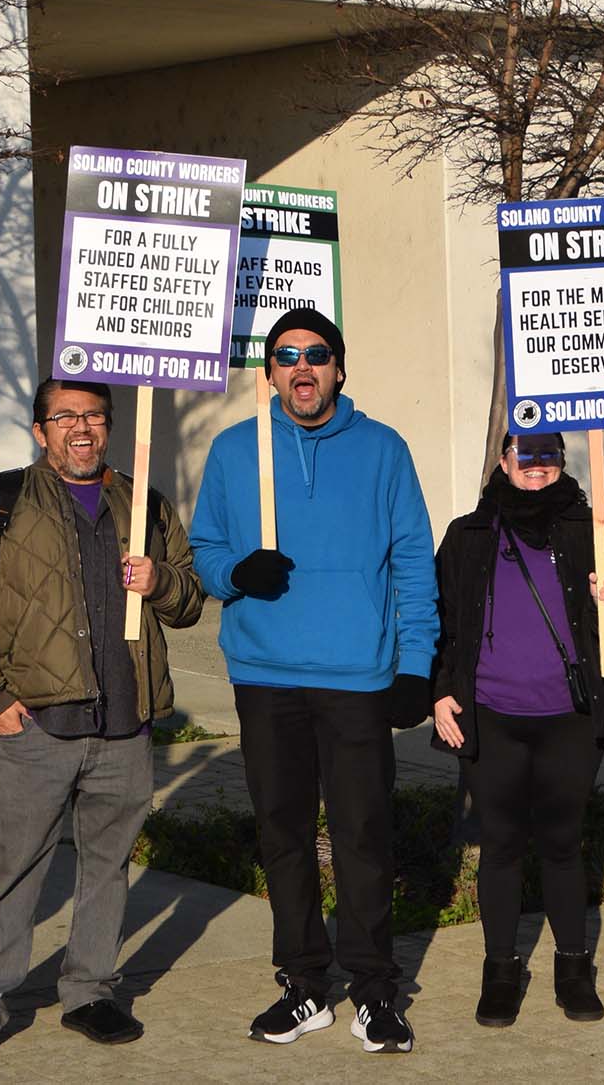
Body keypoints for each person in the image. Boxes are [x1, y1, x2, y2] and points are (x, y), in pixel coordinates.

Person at [0, 378, 203, 1071]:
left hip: (125, 722)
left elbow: (189, 596)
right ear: (39, 429)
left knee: (108, 868)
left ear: (109, 425)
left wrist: (161, 583)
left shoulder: (143, 503)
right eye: (65, 417)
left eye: (92, 416)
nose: (80, 428)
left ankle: (89, 989)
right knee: (13, 868)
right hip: (38, 727)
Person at [189, 307, 438, 1054]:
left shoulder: (384, 449)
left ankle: (373, 988)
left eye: (318, 354)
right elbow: (204, 549)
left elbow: (414, 562)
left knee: (363, 833)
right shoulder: (236, 450)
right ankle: (304, 985)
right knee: (284, 834)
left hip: (357, 674)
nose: (303, 367)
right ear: (269, 371)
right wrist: (236, 572)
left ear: (339, 368)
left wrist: (414, 665)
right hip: (266, 673)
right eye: (288, 355)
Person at [429, 430, 604, 1028]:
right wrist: (440, 692)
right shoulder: (468, 535)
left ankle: (573, 968)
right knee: (499, 845)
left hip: (569, 719)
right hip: (491, 714)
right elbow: (440, 620)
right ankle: (501, 970)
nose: (535, 467)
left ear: (562, 463)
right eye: (523, 456)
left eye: (547, 456)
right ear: (504, 462)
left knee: (560, 842)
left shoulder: (591, 530)